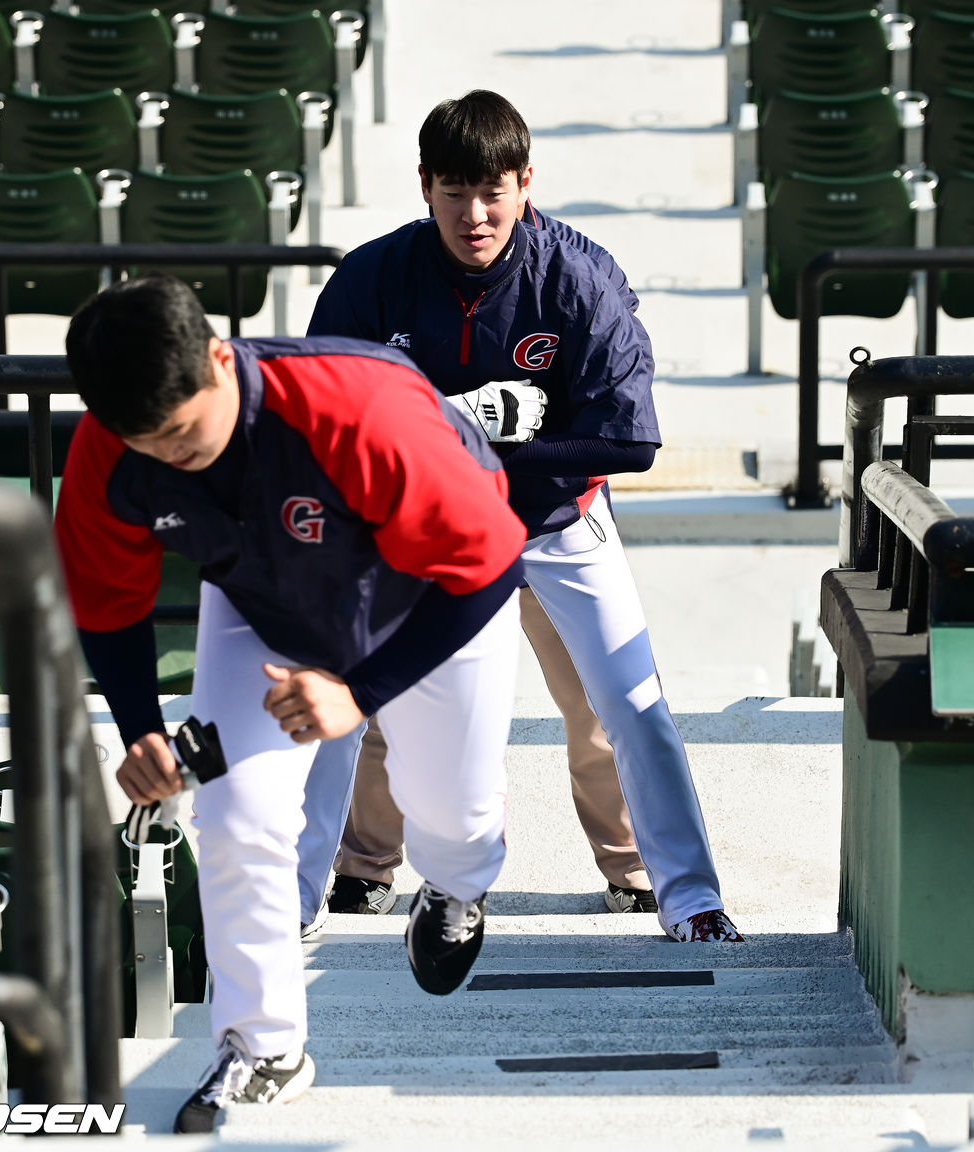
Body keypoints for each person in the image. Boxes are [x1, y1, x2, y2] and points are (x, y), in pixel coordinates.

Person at [53, 273, 532, 1132]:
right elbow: (105, 600)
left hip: (429, 594)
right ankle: (263, 1045)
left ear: (216, 357)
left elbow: (491, 567)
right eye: (143, 440)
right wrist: (140, 731)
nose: (166, 454)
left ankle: (459, 888)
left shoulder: (359, 409)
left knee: (450, 817)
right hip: (262, 604)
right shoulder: (111, 445)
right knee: (237, 817)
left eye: (179, 430)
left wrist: (361, 692)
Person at [306, 89, 743, 945]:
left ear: (526, 182)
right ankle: (301, 896)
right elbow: (320, 418)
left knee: (627, 704)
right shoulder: (372, 276)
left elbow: (631, 441)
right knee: (352, 704)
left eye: (493, 190)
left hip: (556, 524)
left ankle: (686, 896)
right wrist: (444, 428)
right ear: (425, 185)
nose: (475, 213)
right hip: (421, 527)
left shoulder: (577, 278)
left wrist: (485, 449)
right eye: (456, 191)